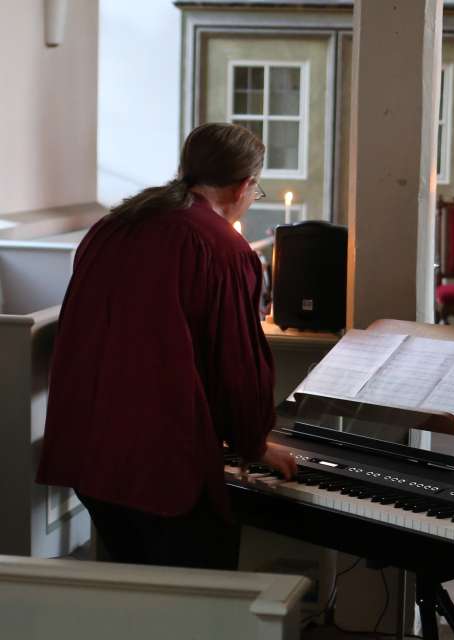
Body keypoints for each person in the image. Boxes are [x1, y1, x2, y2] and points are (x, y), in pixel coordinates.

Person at [36, 122, 296, 570]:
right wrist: (254, 442)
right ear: (245, 185)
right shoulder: (221, 248)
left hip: (88, 452)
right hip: (159, 465)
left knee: (139, 598)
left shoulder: (114, 225)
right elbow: (236, 365)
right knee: (199, 603)